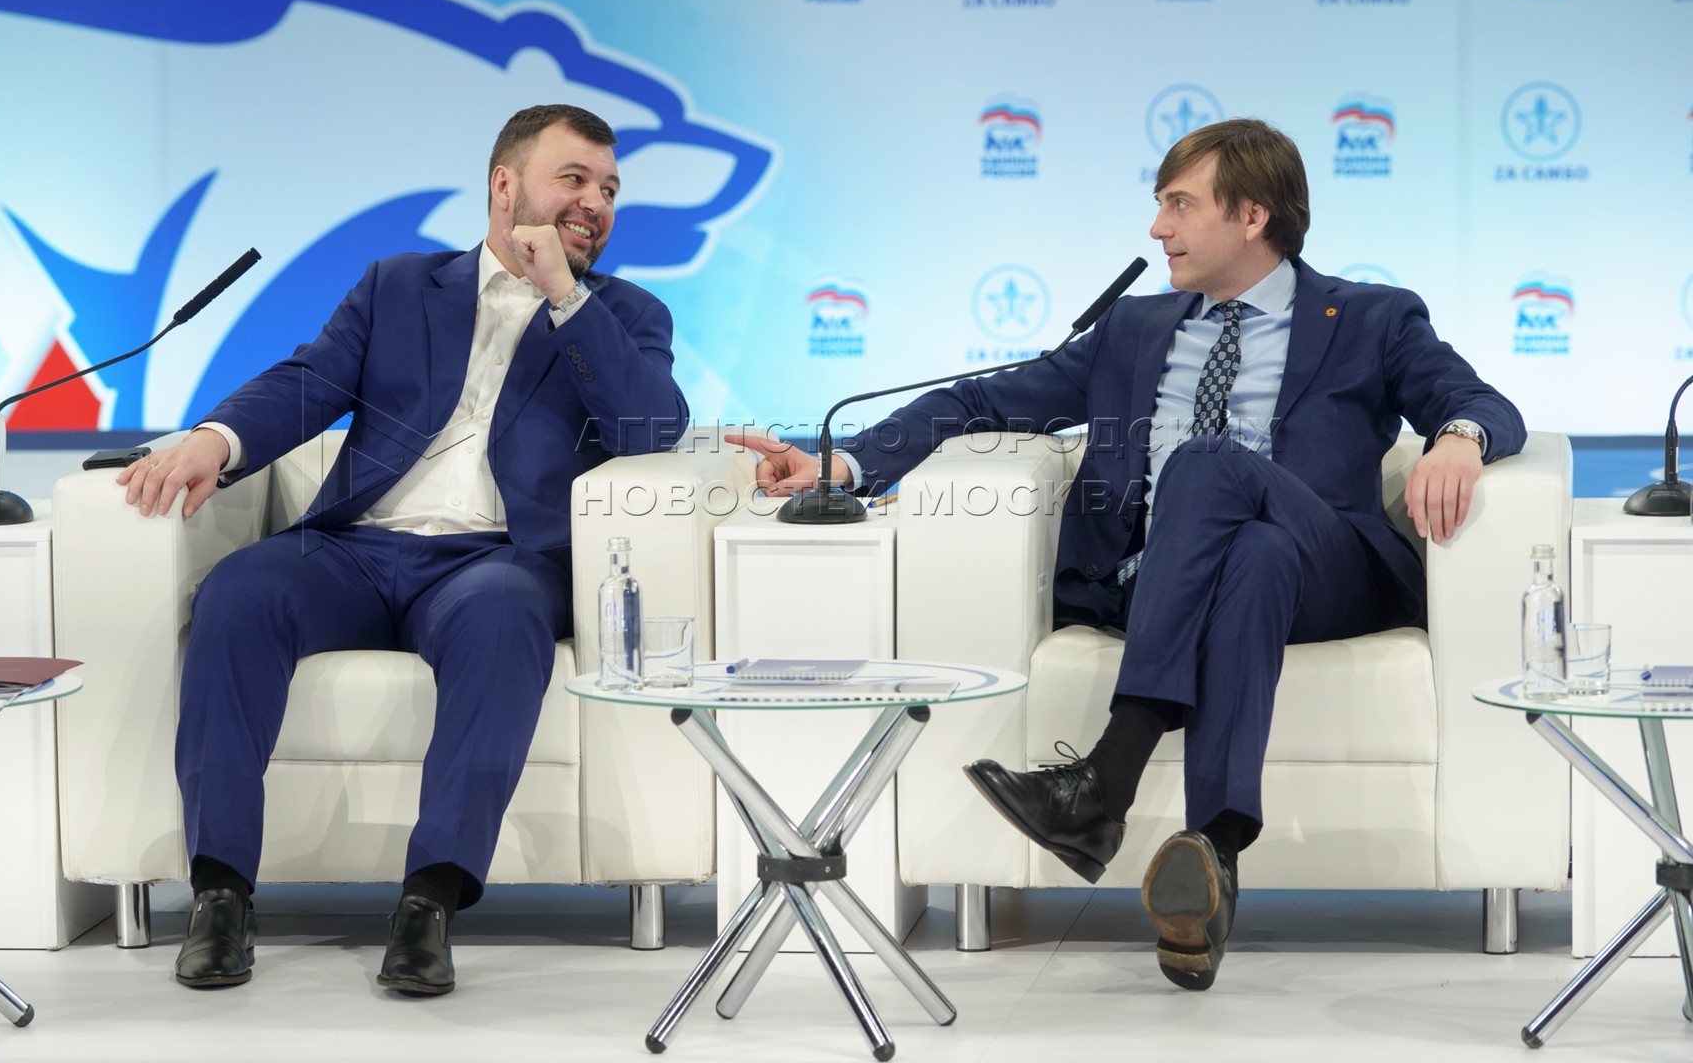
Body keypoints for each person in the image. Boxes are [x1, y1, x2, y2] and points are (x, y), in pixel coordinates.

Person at [727, 118, 1523, 992]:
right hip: (1171, 579)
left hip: (1329, 571)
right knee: (1250, 556)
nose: (1157, 228)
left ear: (1252, 215)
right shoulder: (1135, 328)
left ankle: (1109, 776)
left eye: (1179, 205)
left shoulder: (1369, 317)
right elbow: (980, 401)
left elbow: (1480, 400)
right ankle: (1212, 859)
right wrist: (841, 464)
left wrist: (1459, 437)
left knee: (1213, 467)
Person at [117, 104, 688, 996]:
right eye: (574, 180)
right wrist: (214, 440)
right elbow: (309, 381)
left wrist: (565, 300)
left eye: (610, 190)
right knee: (239, 591)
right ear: (505, 185)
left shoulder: (624, 314)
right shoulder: (398, 285)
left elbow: (649, 425)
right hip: (356, 547)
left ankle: (429, 905)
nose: (596, 204)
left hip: (497, 561)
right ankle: (220, 895)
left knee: (504, 618)